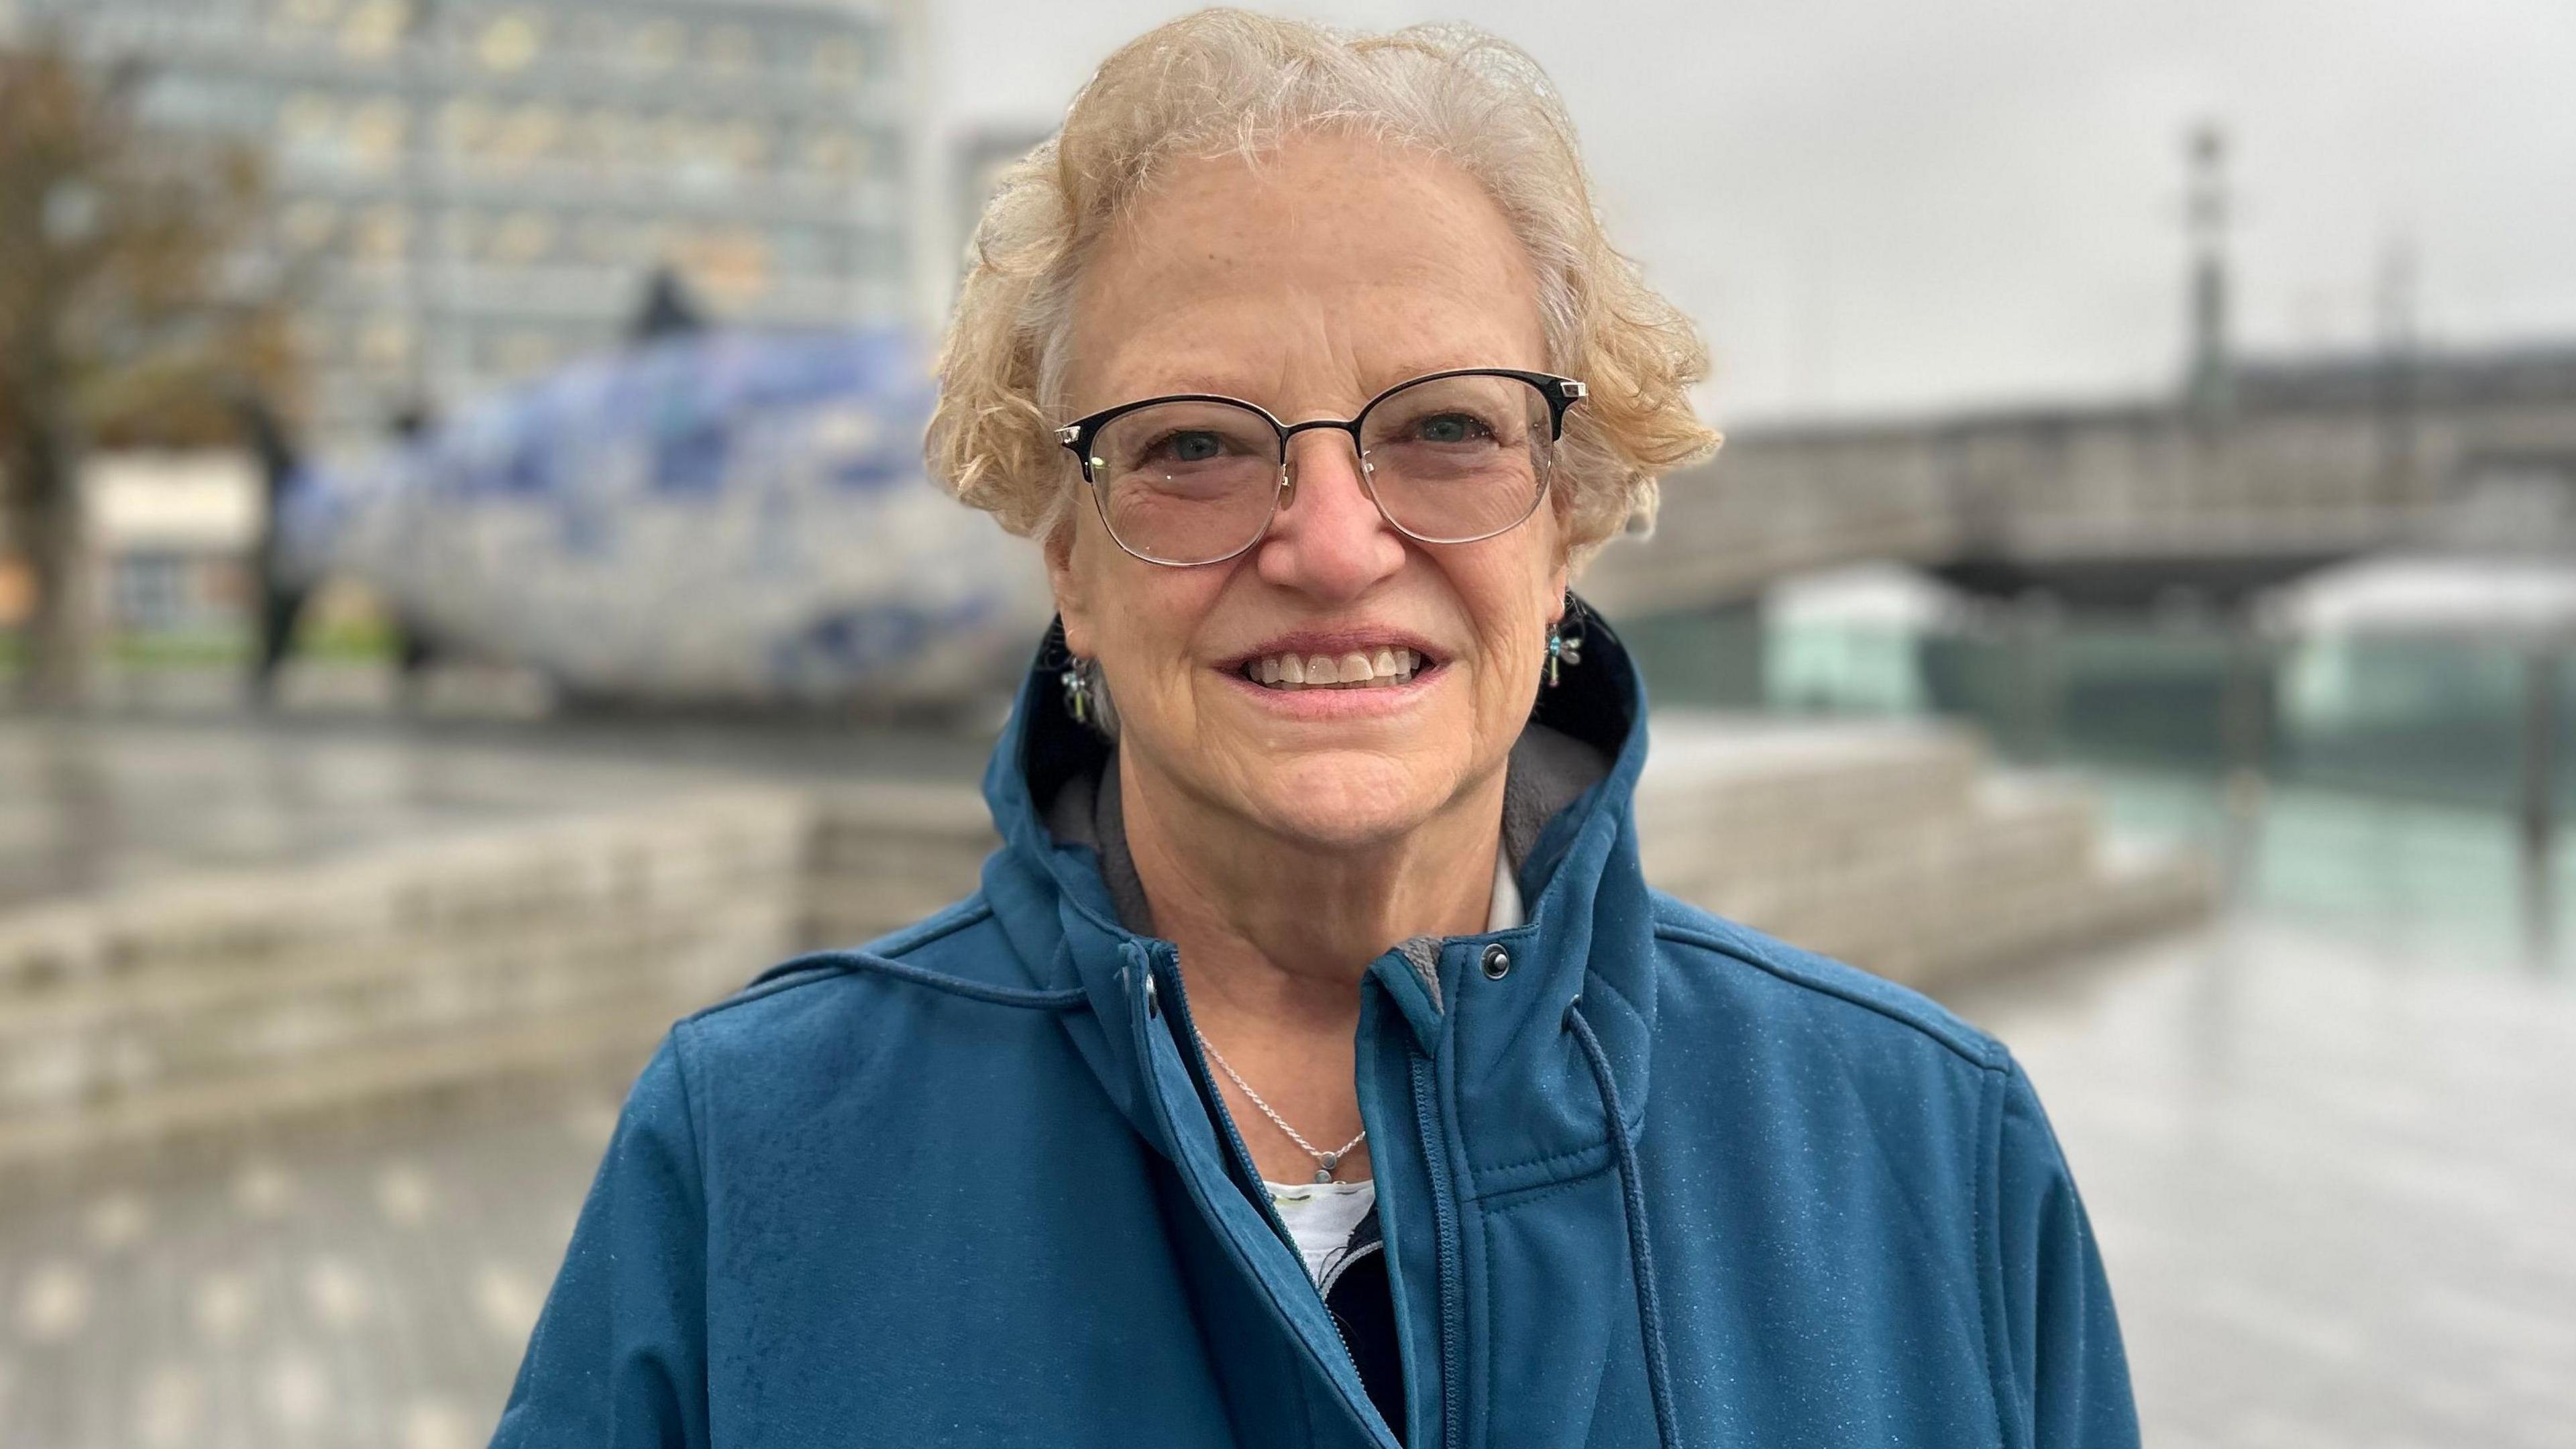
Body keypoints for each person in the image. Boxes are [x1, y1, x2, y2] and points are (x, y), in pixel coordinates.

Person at [492, 12, 2137, 1447]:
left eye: (1445, 429)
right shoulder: (753, 1154)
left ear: (1563, 525)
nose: (1336, 544)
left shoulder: (1927, 1148)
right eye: (1196, 446)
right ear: (1069, 557)